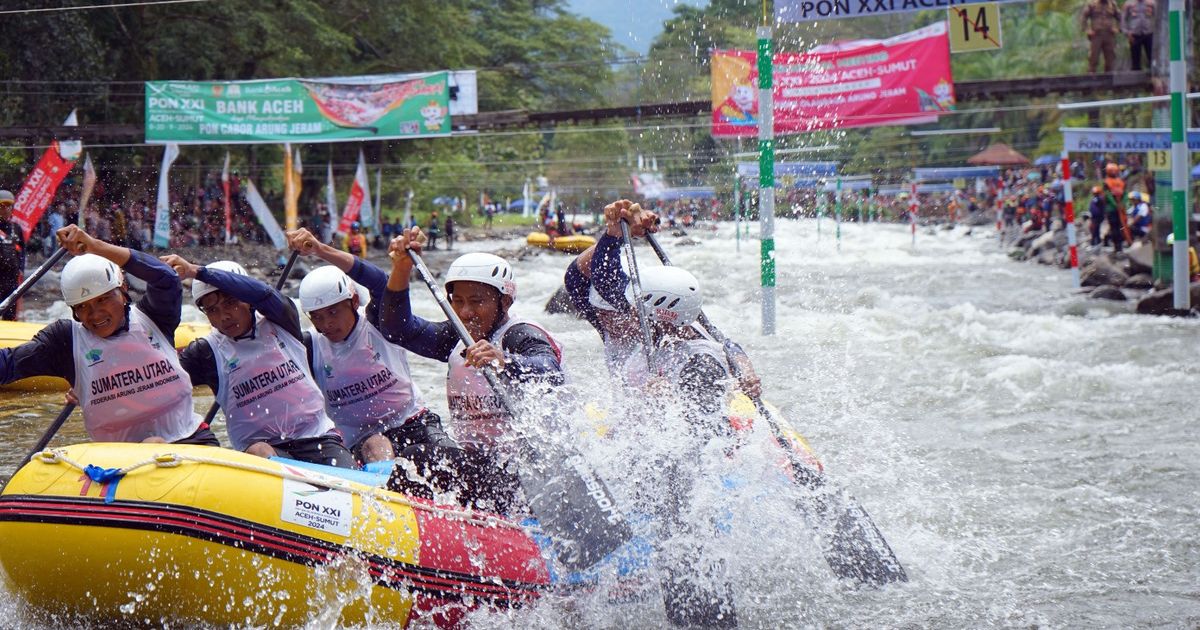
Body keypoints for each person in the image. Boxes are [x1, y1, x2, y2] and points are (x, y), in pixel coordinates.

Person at [380, 233, 564, 514]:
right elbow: (397, 330)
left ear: (505, 301)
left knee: (416, 458)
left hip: (528, 477)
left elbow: (549, 371)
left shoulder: (520, 335)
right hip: (482, 467)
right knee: (416, 446)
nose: (466, 313)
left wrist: (504, 361)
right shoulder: (457, 337)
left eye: (477, 302)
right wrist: (402, 268)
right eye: (458, 301)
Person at [0, 226, 217, 446]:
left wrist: (94, 246)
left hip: (191, 439)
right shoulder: (64, 341)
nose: (95, 314)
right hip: (120, 462)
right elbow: (7, 365)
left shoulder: (155, 316)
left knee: (155, 442)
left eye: (103, 299)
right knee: (153, 442)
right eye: (83, 306)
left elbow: (166, 277)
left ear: (122, 290)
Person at [286, 228, 459, 483]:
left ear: (354, 300)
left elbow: (380, 281)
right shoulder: (309, 345)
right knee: (377, 443)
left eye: (333, 313)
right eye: (318, 317)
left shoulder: (378, 321)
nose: (327, 325)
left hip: (412, 421)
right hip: (361, 440)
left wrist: (320, 250)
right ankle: (388, 499)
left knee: (453, 458)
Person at [164, 255, 355, 468]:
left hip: (318, 438)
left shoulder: (281, 319)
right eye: (212, 310)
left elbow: (263, 293)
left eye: (230, 303)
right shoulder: (205, 352)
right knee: (260, 449)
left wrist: (196, 272)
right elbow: (166, 392)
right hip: (261, 452)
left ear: (247, 299)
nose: (224, 316)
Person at [0, 190, 25, 320]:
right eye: (2, 206)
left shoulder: (16, 229)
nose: (5, 210)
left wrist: (21, 269)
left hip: (12, 278)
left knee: (10, 314)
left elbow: (22, 252)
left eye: (8, 206)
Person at [1082, 0, 1121, 73]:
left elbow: (1120, 17)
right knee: (1093, 58)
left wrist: (1118, 29)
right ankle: (1091, 79)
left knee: (1110, 59)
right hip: (1096, 35)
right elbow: (1084, 17)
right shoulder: (1092, 4)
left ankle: (1109, 80)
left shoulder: (1112, 4)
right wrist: (1087, 30)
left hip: (1109, 35)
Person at [1121, 0, 1155, 71]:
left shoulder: (1151, 3)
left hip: (1148, 33)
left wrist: (1156, 31)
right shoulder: (1129, 3)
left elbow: (1158, 17)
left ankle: (1153, 74)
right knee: (1135, 58)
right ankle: (1136, 75)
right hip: (1134, 34)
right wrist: (1127, 32)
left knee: (1152, 56)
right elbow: (1123, 19)